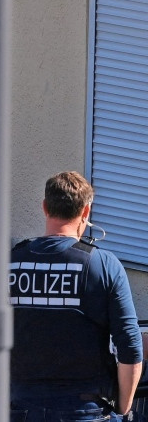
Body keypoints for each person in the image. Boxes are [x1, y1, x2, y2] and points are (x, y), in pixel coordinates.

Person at [10, 171, 142, 421]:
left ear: (45, 207)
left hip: (20, 406)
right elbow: (130, 346)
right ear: (85, 212)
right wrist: (123, 410)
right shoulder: (103, 264)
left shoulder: (10, 262)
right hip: (85, 410)